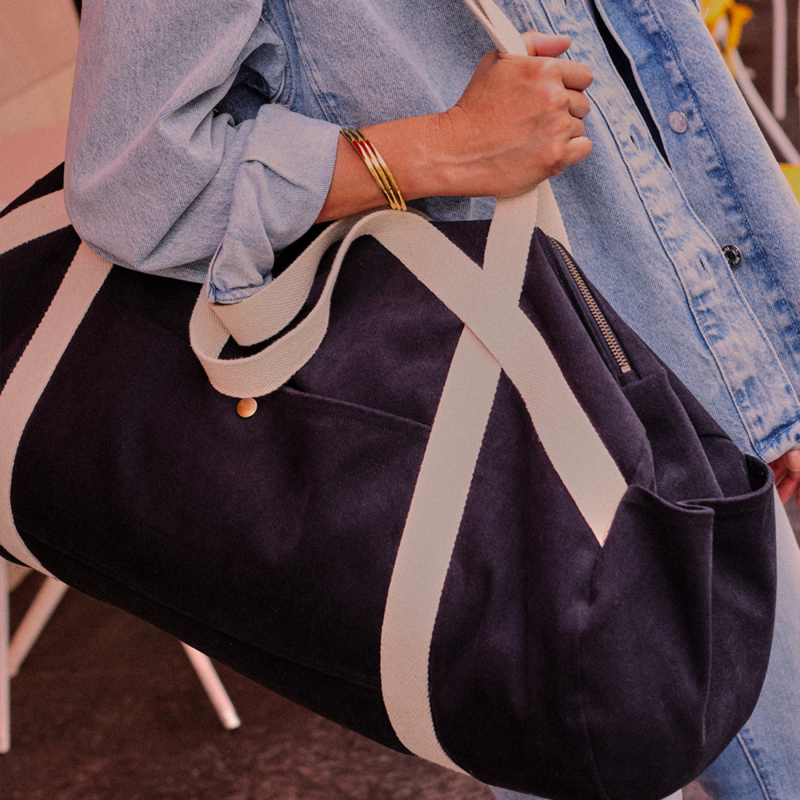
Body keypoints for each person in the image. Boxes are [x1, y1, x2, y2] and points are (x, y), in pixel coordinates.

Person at [64, 0, 800, 797]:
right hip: (513, 464)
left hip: (687, 371)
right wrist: (442, 149)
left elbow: (649, 68)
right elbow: (134, 183)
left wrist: (759, 356)